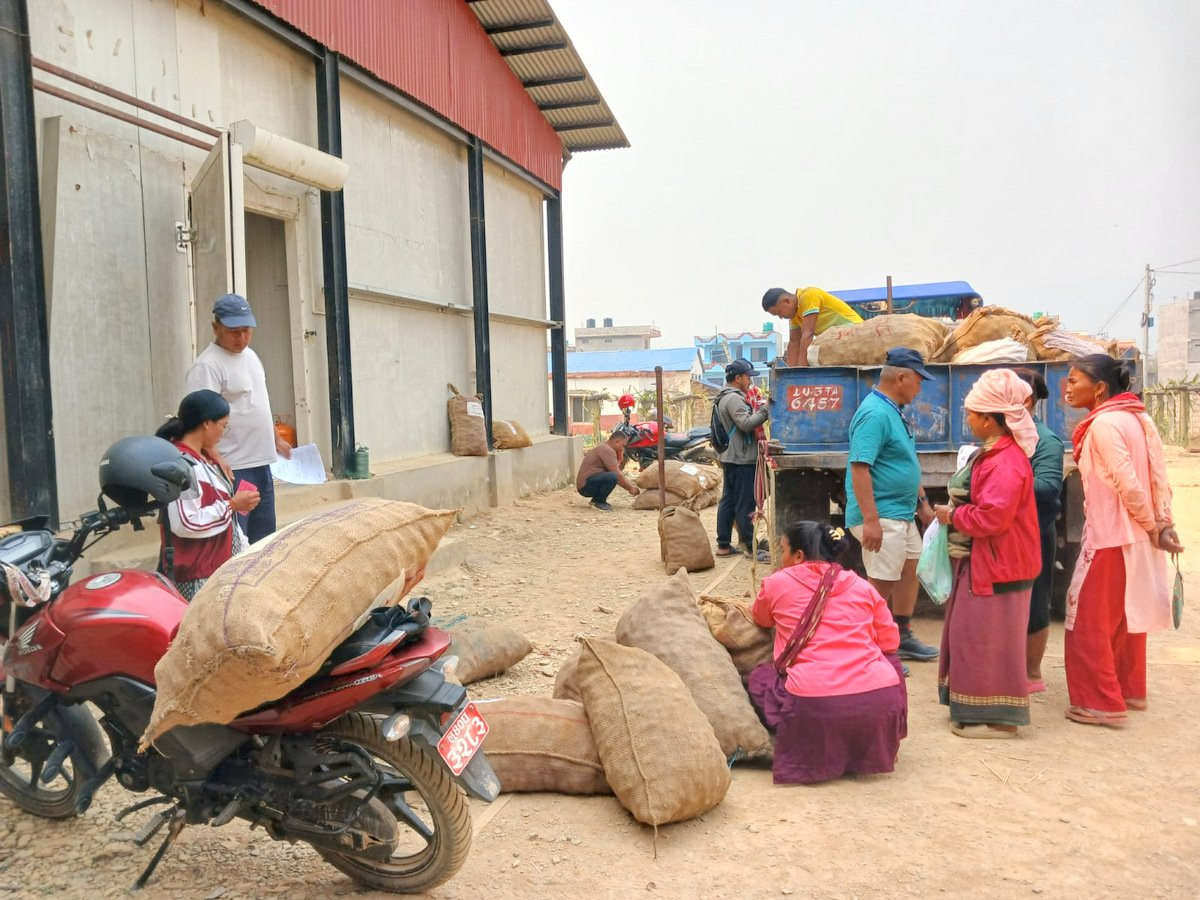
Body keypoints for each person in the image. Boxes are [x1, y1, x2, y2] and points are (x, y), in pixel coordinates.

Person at [1062, 354, 1183, 727]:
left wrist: (1151, 526)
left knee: (1085, 623)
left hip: (1111, 537)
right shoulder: (1139, 417)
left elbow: (1126, 482)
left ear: (1098, 389)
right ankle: (1130, 690)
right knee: (1127, 618)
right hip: (1138, 536)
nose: (1067, 387)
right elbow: (1159, 475)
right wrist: (1161, 524)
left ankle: (1100, 703)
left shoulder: (1102, 425)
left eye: (1074, 380)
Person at [748, 521, 907, 784]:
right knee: (890, 662)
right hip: (877, 701)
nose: (781, 556)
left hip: (815, 704)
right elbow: (890, 641)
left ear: (798, 556)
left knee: (760, 679)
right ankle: (884, 740)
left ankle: (813, 744)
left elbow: (761, 618)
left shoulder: (775, 583)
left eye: (783, 550)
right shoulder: (862, 585)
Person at [932, 368, 1041, 738]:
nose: (968, 419)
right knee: (972, 633)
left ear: (991, 420)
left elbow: (993, 517)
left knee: (987, 638)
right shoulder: (996, 454)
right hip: (987, 560)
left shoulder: (1006, 462)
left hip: (999, 563)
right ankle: (972, 710)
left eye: (972, 414)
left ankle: (998, 720)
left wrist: (953, 515)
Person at [844, 347, 940, 663]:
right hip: (882, 515)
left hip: (900, 513)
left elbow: (905, 463)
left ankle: (901, 634)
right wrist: (871, 521)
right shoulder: (874, 413)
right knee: (881, 583)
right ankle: (871, 646)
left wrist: (923, 504)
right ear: (900, 377)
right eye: (918, 381)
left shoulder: (892, 410)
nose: (920, 388)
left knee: (910, 567)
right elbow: (860, 467)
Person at [185, 294, 291, 544]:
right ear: (215, 327)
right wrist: (217, 457)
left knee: (264, 537)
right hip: (234, 468)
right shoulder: (207, 366)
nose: (241, 338)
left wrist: (275, 438)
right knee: (238, 539)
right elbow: (200, 420)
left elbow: (260, 401)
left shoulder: (251, 357)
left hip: (261, 464)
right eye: (233, 332)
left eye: (246, 331)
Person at [155, 390, 261, 600]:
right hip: (198, 576)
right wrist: (231, 505)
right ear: (206, 423)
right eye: (223, 425)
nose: (224, 432)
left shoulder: (201, 460)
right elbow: (186, 522)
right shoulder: (181, 464)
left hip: (216, 569)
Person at [1014, 369, 1065, 693]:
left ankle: (1032, 673)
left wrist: (1001, 481)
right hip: (1007, 533)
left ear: (1027, 400)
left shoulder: (1046, 441)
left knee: (1036, 600)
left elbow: (1046, 487)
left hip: (1034, 532)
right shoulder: (1006, 435)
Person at [714, 359, 769, 557]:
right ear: (737, 379)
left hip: (731, 456)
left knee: (728, 501)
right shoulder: (734, 399)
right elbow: (746, 424)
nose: (750, 382)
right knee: (745, 503)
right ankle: (748, 545)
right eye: (747, 377)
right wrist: (766, 410)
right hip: (741, 458)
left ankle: (724, 544)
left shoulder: (725, 396)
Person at [762, 286, 864, 367]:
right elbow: (794, 342)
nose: (780, 317)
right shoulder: (794, 315)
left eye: (779, 312)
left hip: (854, 333)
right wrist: (790, 373)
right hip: (837, 340)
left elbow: (807, 334)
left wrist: (800, 371)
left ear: (787, 301)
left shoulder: (808, 296)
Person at [576, 425, 640, 511]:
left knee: (612, 476)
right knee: (612, 476)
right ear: (616, 442)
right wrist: (631, 488)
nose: (623, 448)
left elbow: (617, 477)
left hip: (587, 484)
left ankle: (598, 500)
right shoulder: (607, 450)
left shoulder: (606, 448)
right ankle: (598, 501)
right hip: (585, 487)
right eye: (623, 446)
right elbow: (617, 475)